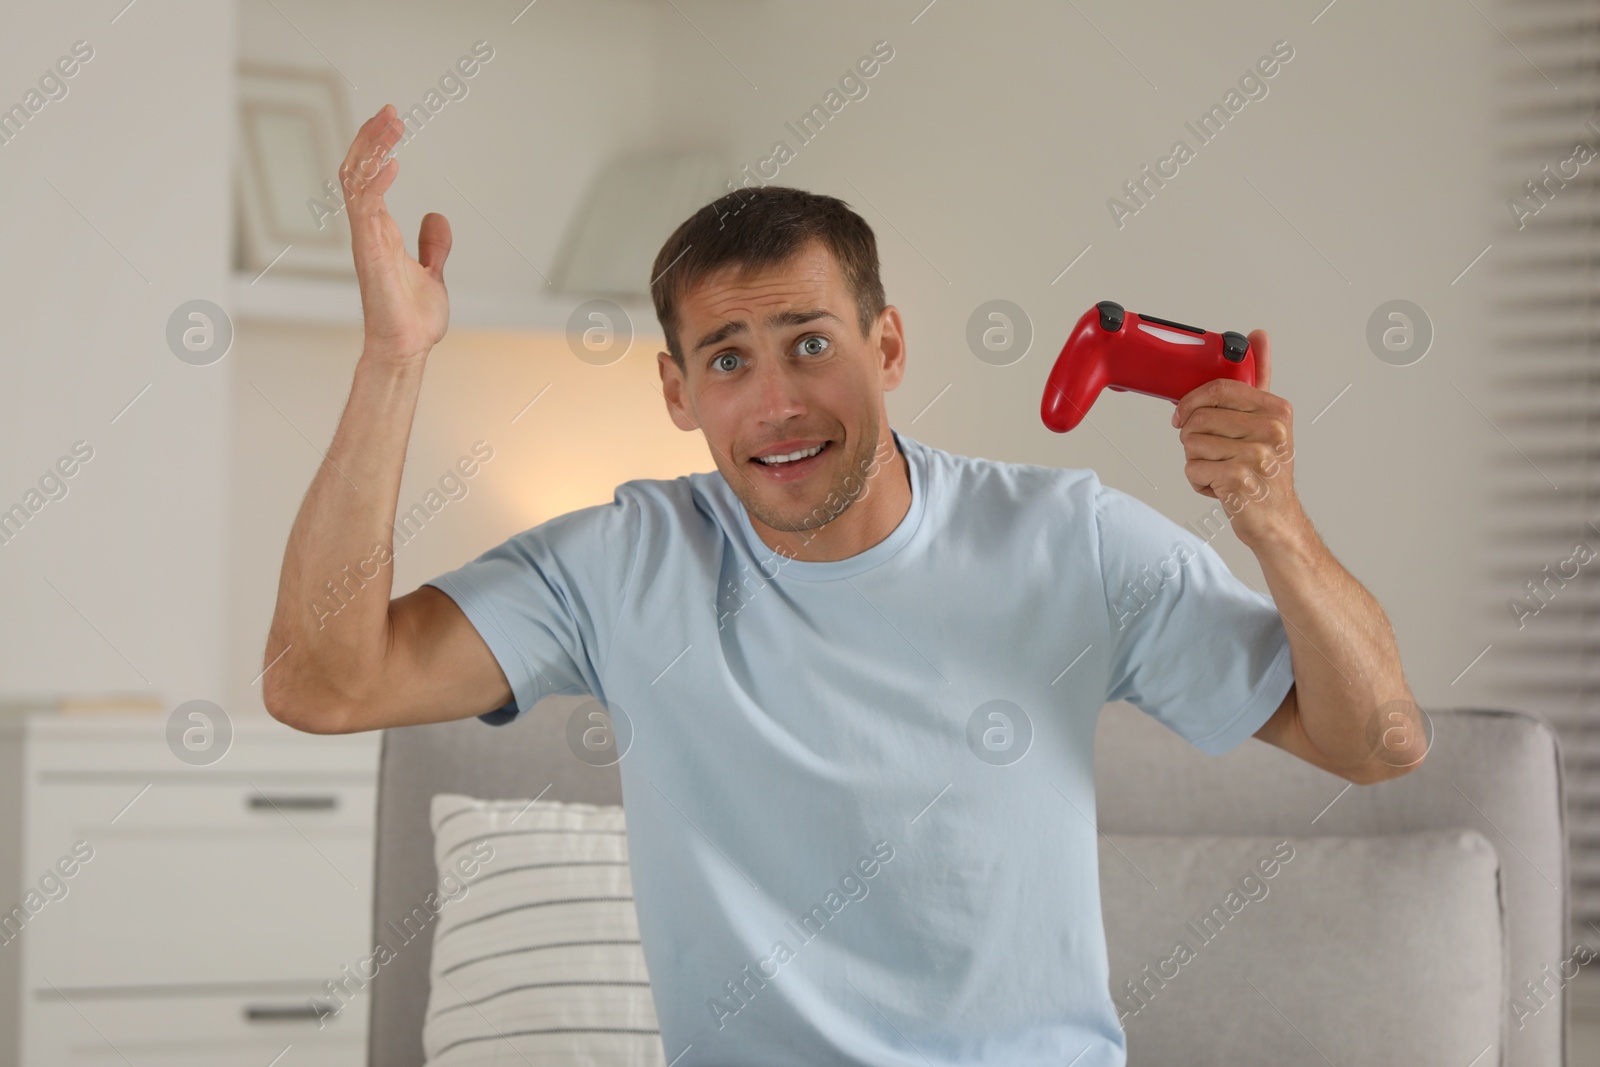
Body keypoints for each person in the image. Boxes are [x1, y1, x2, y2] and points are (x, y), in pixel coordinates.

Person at [264, 103, 1425, 1066]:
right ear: (677, 391)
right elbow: (322, 684)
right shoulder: (626, 562)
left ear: (889, 347)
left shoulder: (1069, 540)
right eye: (729, 359)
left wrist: (1273, 522)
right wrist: (393, 360)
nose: (776, 401)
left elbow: (1377, 740)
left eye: (810, 341)